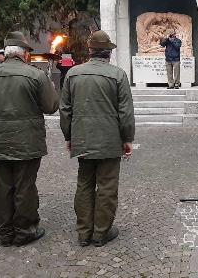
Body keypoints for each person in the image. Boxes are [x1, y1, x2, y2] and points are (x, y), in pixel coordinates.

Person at [60, 30, 135, 247]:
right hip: (110, 141)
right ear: (108, 54)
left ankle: (84, 232)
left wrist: (69, 136)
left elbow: (65, 110)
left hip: (82, 139)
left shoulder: (73, 74)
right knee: (107, 186)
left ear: (90, 51)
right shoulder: (118, 75)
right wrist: (127, 139)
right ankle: (101, 232)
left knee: (84, 184)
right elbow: (125, 112)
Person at [0, 31, 59, 247]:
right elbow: (51, 106)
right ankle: (24, 230)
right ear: (24, 54)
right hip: (28, 140)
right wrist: (52, 87)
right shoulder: (36, 76)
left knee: (3, 185)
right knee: (25, 186)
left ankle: (5, 231)